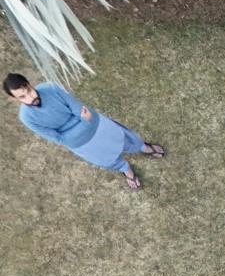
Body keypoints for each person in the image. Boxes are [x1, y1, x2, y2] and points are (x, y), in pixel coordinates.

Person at [8, 73, 164, 190]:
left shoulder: (50, 87)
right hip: (79, 141)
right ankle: (127, 170)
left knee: (123, 137)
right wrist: (82, 123)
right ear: (17, 100)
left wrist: (82, 123)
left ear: (29, 84)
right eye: (23, 96)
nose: (30, 97)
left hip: (92, 123)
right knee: (105, 159)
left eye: (28, 90)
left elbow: (77, 107)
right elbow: (58, 138)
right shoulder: (27, 118)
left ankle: (144, 147)